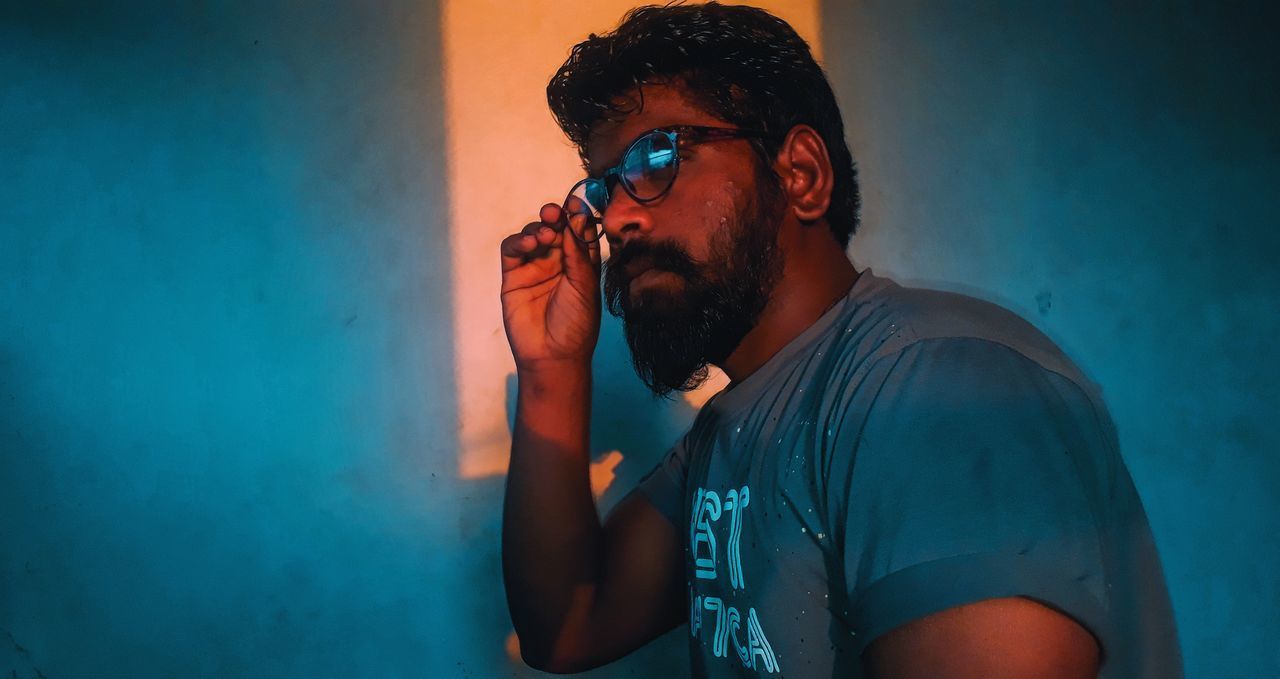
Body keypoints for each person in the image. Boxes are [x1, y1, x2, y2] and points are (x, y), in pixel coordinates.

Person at [498, 3, 1182, 677]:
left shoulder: (938, 387)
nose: (616, 218)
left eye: (656, 157)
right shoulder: (731, 432)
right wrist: (552, 367)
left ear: (800, 174)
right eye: (604, 182)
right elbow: (568, 625)